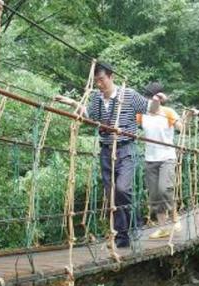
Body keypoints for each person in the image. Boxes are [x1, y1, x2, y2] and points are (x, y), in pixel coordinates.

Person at [56, 63, 165, 248]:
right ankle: (122, 237)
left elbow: (152, 109)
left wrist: (157, 100)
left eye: (102, 79)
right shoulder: (97, 99)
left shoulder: (128, 95)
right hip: (106, 150)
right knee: (112, 195)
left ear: (111, 76)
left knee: (122, 188)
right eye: (96, 80)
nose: (99, 84)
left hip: (126, 149)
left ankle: (135, 222)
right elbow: (90, 117)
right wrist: (73, 103)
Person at [137, 82, 199, 239]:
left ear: (159, 98)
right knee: (155, 195)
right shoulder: (142, 114)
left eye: (153, 97)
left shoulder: (168, 112)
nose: (150, 100)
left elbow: (182, 128)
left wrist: (189, 116)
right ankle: (162, 227)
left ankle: (175, 218)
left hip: (167, 157)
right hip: (150, 158)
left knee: (165, 189)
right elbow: (128, 125)